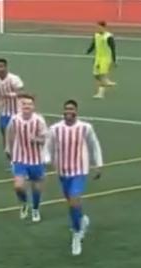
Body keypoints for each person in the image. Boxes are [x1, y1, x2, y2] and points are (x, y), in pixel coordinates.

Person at [44, 100, 103, 256]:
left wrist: (98, 164)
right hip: (63, 171)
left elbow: (94, 145)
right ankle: (81, 219)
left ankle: (77, 234)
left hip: (80, 170)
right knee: (71, 203)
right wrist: (47, 160)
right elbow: (47, 147)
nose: (68, 111)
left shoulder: (85, 128)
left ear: (77, 111)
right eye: (66, 109)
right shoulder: (55, 129)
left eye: (72, 109)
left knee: (74, 199)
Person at [5, 94, 47, 223]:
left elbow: (46, 138)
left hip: (36, 159)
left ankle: (35, 208)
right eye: (24, 104)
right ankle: (24, 203)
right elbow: (9, 132)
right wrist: (8, 147)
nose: (26, 106)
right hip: (19, 158)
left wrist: (36, 139)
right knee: (18, 186)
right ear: (20, 106)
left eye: (29, 104)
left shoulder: (39, 120)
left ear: (33, 106)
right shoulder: (15, 119)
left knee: (36, 187)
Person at [0, 58, 25, 169]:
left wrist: (11, 95)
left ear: (6, 67)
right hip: (5, 113)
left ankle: (24, 157)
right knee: (5, 137)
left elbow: (22, 92)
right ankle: (12, 161)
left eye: (1, 66)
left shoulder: (14, 79)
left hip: (18, 113)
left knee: (19, 137)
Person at [88, 21, 117, 99]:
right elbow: (94, 44)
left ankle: (100, 93)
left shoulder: (108, 37)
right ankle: (107, 81)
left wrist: (114, 60)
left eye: (98, 27)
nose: (97, 29)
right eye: (96, 27)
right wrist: (89, 51)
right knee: (96, 74)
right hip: (98, 58)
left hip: (106, 58)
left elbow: (113, 49)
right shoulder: (96, 35)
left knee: (101, 75)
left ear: (103, 27)